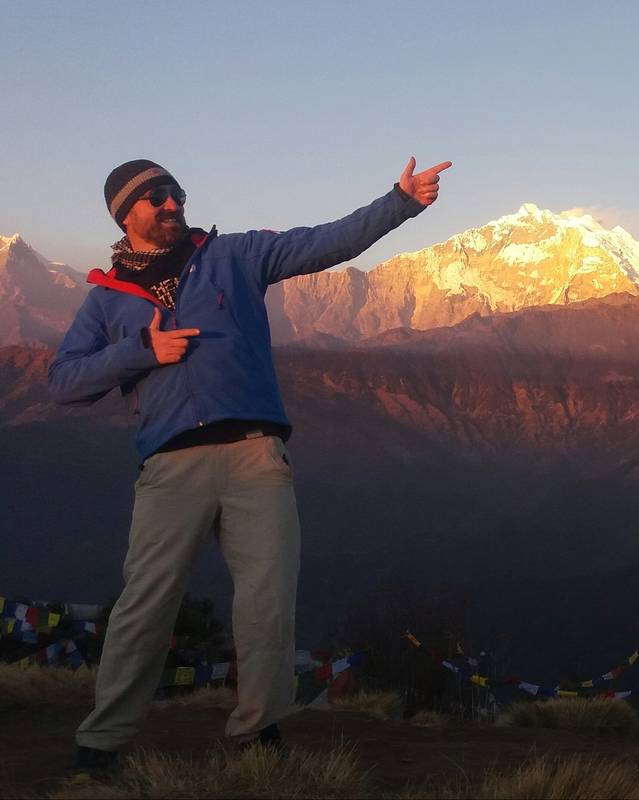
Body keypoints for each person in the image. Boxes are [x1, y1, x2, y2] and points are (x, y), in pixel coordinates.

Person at [49, 156, 452, 771]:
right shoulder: (106, 300)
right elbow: (64, 382)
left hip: (256, 455)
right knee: (145, 605)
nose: (170, 203)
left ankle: (258, 733)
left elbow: (322, 243)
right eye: (155, 197)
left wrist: (398, 201)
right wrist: (139, 351)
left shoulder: (233, 255)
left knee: (268, 600)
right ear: (124, 213)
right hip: (169, 465)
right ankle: (103, 739)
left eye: (174, 192)